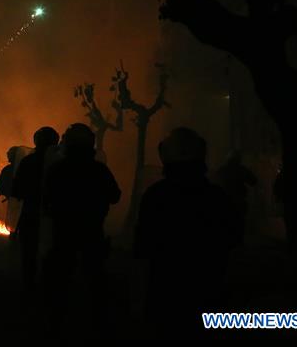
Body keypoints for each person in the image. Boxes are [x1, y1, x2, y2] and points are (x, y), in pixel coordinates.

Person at [134, 127, 241, 340]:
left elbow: (143, 245)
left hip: (165, 292)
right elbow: (234, 238)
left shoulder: (156, 195)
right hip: (208, 287)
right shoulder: (216, 196)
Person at [44, 123, 121, 322]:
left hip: (64, 230)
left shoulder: (58, 169)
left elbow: (46, 198)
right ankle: (97, 317)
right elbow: (115, 196)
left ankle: (56, 316)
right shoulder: (99, 170)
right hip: (92, 229)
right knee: (94, 274)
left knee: (60, 275)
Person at [12, 126, 60, 290]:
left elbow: (17, 190)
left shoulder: (28, 161)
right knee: (55, 254)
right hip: (57, 217)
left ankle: (29, 287)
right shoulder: (62, 163)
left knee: (29, 253)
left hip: (31, 213)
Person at [0, 146, 26, 235]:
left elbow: (1, 184)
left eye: (9, 154)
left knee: (14, 220)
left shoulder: (9, 169)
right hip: (17, 199)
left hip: (16, 199)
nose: (8, 156)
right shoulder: (25, 167)